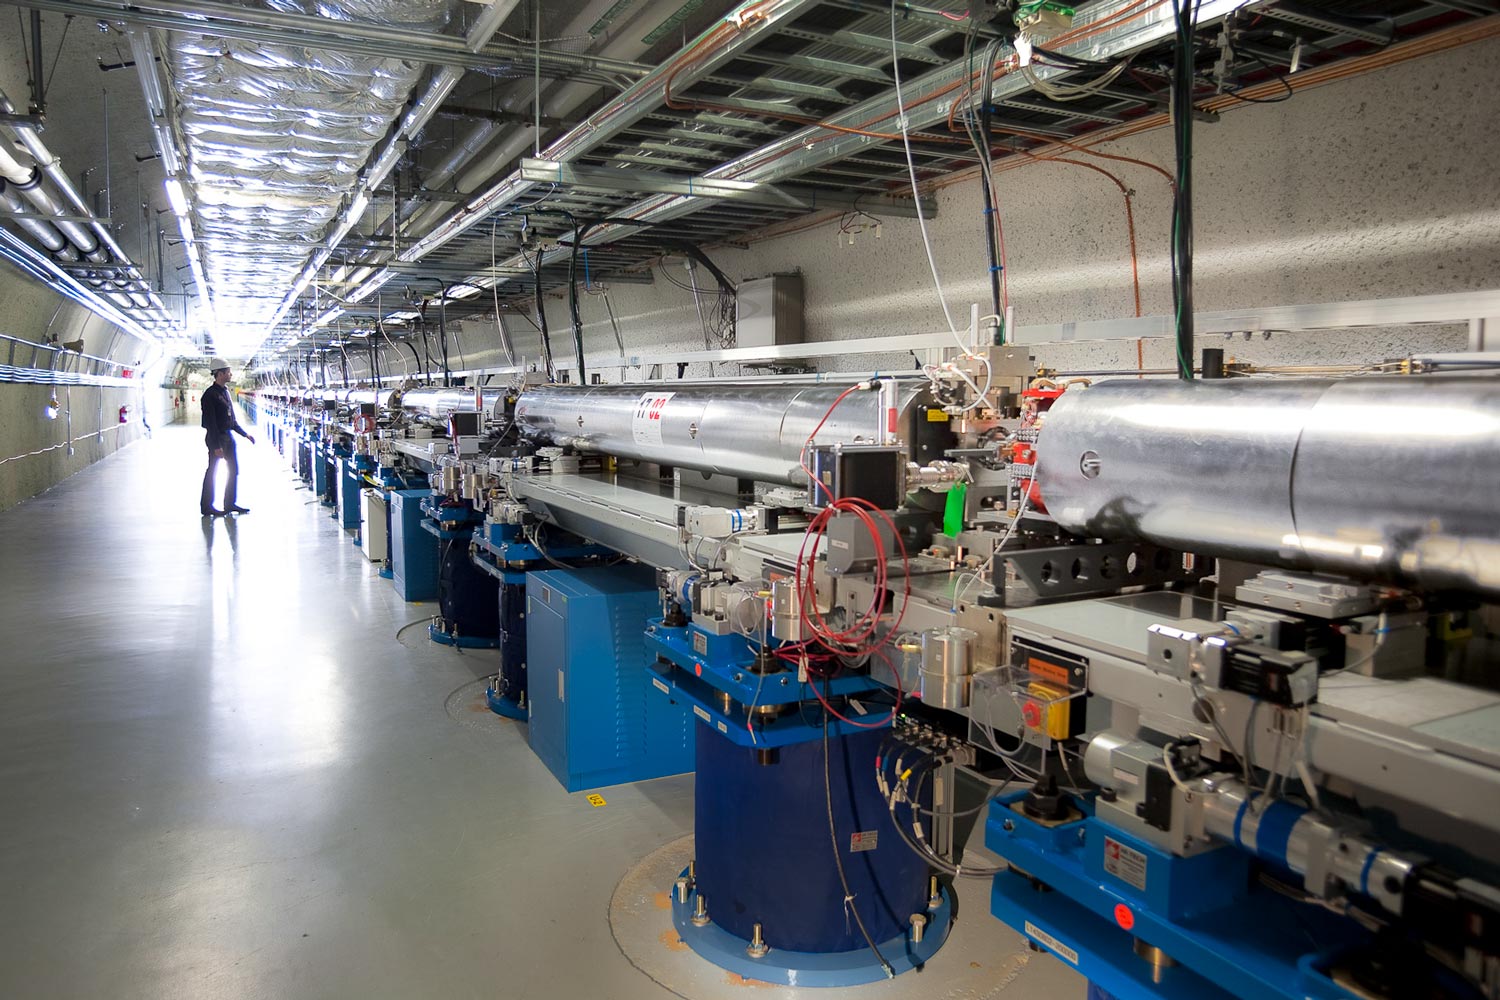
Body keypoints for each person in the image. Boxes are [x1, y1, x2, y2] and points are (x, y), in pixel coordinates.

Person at [200, 357, 255, 516]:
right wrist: (216, 446)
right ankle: (206, 506)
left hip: (228, 437)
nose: (231, 374)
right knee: (213, 472)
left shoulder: (225, 392)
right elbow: (210, 423)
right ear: (220, 373)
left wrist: (245, 434)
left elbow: (231, 420)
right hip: (217, 438)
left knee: (233, 471)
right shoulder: (209, 395)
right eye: (228, 372)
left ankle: (230, 504)